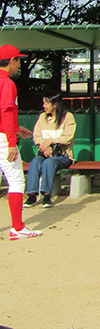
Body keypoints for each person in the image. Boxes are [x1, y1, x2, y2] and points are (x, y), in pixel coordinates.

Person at [0, 44, 40, 239]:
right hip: (2, 137)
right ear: (12, 62)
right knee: (16, 179)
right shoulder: (7, 83)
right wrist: (11, 140)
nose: (19, 64)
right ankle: (17, 227)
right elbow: (6, 113)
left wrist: (16, 128)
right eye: (18, 60)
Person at [25, 94, 76, 208]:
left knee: (50, 162)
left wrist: (51, 141)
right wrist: (45, 146)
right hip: (44, 153)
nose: (44, 106)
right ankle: (32, 195)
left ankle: (47, 195)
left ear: (55, 104)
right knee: (36, 162)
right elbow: (36, 136)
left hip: (63, 155)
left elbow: (68, 137)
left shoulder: (68, 117)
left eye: (46, 103)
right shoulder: (42, 117)